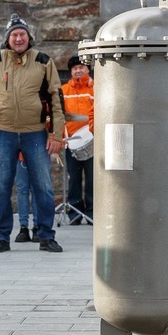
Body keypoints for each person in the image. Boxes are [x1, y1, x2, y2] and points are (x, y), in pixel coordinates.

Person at [0, 13, 65, 253]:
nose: (18, 38)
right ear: (7, 38)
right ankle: (2, 237)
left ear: (29, 37)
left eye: (22, 34)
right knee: (1, 187)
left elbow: (56, 99)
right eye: (14, 34)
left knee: (43, 186)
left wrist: (57, 135)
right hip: (4, 132)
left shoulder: (44, 61)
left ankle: (46, 236)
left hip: (35, 133)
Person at [62, 55, 94, 225]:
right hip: (72, 140)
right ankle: (74, 212)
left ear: (88, 69)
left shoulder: (97, 88)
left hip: (92, 140)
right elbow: (60, 116)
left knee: (92, 178)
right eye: (74, 68)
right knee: (73, 177)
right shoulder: (64, 90)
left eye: (81, 67)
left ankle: (92, 211)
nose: (78, 70)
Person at [14, 153, 39, 242]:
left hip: (36, 152)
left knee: (36, 190)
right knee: (22, 190)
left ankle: (37, 226)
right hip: (19, 154)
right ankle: (23, 227)